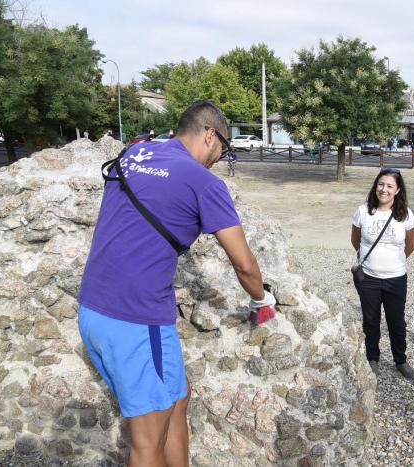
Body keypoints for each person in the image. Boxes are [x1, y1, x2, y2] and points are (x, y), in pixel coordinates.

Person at [78, 100, 276, 467]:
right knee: (147, 441)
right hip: (135, 320)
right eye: (225, 148)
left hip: (94, 308)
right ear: (209, 136)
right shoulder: (204, 183)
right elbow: (245, 265)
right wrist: (261, 299)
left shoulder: (135, 153)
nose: (222, 157)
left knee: (177, 400)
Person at [351, 168, 414, 380]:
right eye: (381, 184)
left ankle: (400, 360)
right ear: (375, 186)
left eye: (390, 186)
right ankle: (373, 357)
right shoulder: (363, 211)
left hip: (396, 278)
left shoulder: (405, 214)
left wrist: (393, 263)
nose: (384, 189)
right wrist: (373, 261)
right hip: (368, 278)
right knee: (370, 320)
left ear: (398, 190)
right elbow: (356, 241)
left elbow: (410, 245)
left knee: (396, 321)